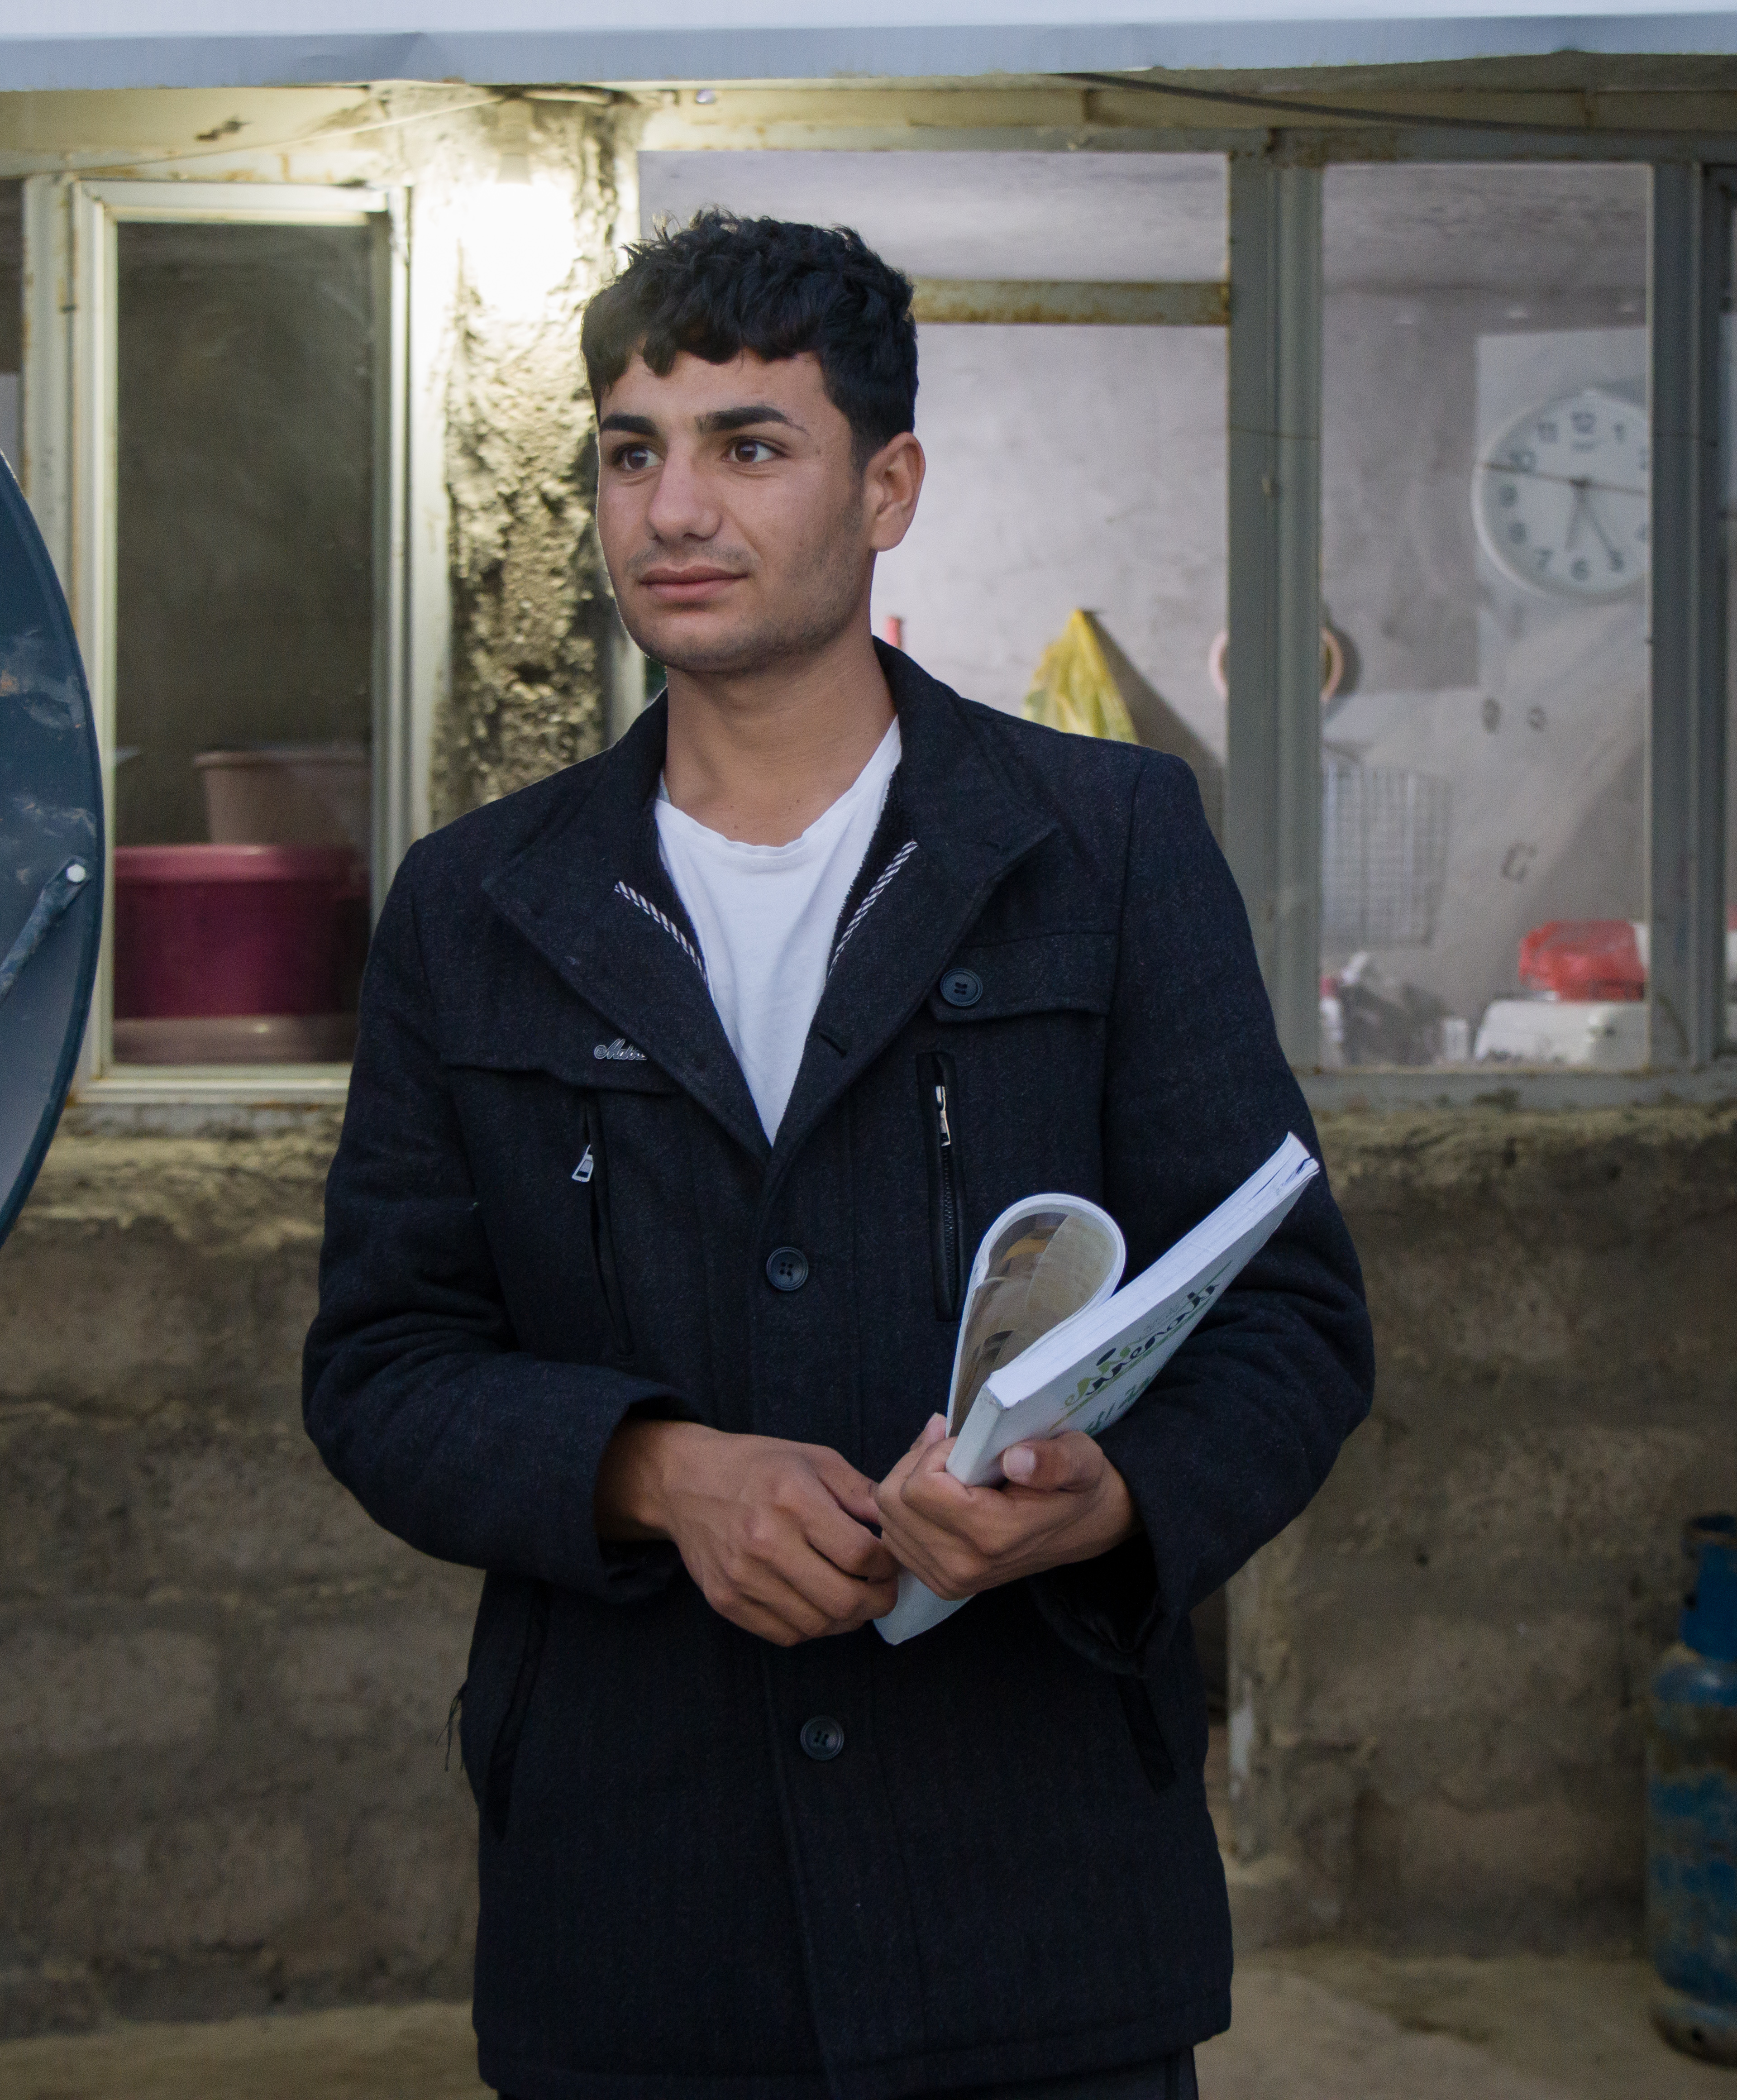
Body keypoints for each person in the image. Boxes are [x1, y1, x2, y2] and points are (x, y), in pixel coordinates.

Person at [303, 210, 1372, 2100]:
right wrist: (653, 1472)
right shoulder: (479, 907)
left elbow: (1286, 1316)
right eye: (631, 452)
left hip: (1029, 1900)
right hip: (639, 1914)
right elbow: (383, 1366)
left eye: (748, 447)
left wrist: (1107, 1501)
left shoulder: (1102, 847)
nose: (673, 510)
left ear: (888, 488)